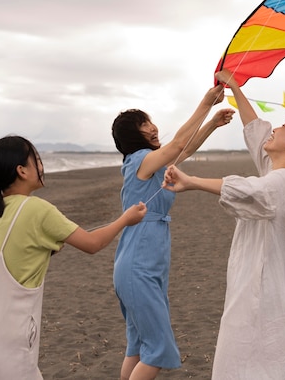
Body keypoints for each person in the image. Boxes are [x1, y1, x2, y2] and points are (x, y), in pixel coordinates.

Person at [162, 69, 285, 379]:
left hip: (263, 306)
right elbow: (256, 131)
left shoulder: (283, 182)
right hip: (252, 298)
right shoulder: (279, 174)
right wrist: (234, 85)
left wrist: (190, 181)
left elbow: (251, 190)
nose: (275, 127)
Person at [0, 135, 147, 380]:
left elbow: (20, 251)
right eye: (38, 160)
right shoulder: (37, 209)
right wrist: (125, 219)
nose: (42, 167)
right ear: (22, 170)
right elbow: (93, 244)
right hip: (11, 339)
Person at [111, 85, 235, 380]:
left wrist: (212, 125)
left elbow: (185, 148)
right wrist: (206, 102)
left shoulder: (151, 162)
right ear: (133, 135)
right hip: (137, 268)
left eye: (150, 121)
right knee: (157, 349)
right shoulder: (140, 160)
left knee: (139, 347)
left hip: (144, 265)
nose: (152, 128)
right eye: (144, 125)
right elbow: (179, 144)